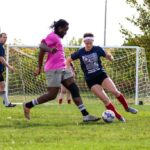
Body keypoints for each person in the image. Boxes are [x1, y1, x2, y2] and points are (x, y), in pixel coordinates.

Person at [23, 20, 100, 122]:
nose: (66, 32)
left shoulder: (57, 38)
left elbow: (43, 52)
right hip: (53, 69)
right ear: (59, 28)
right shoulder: (52, 36)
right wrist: (42, 63)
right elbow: (41, 47)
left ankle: (86, 116)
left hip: (63, 68)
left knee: (74, 89)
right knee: (52, 95)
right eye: (65, 29)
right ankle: (28, 105)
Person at [66, 33, 138, 122]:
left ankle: (127, 107)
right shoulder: (80, 52)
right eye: (86, 42)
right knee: (105, 100)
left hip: (101, 75)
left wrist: (109, 57)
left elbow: (111, 58)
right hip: (90, 80)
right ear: (84, 42)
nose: (88, 44)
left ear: (92, 41)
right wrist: (70, 71)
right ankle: (119, 117)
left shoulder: (98, 49)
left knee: (115, 91)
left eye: (90, 42)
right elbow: (68, 60)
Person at [0, 33, 16, 107]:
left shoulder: (2, 47)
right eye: (4, 37)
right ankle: (6, 103)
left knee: (2, 85)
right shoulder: (0, 47)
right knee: (2, 85)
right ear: (0, 37)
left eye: (6, 37)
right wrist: (9, 67)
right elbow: (1, 59)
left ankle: (6, 103)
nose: (5, 39)